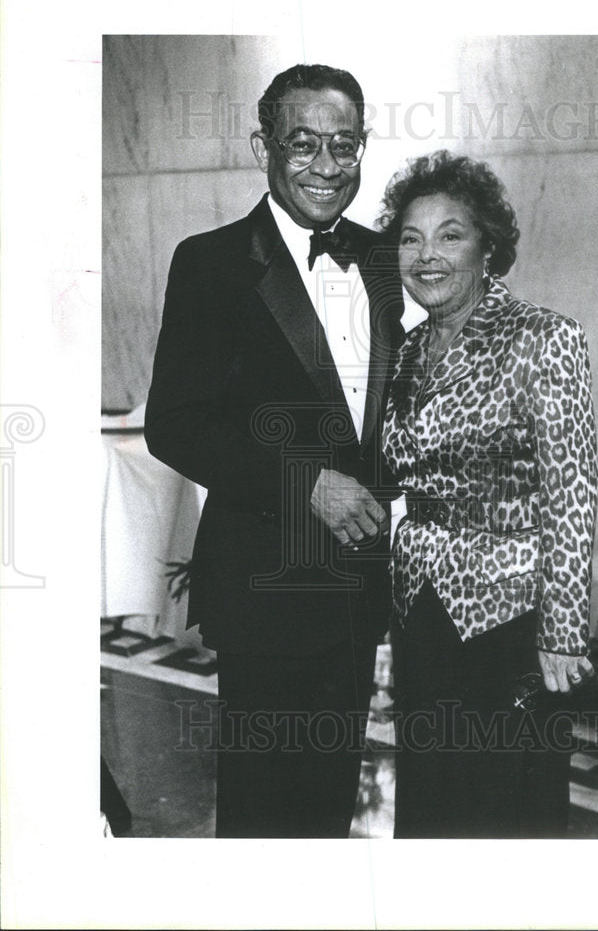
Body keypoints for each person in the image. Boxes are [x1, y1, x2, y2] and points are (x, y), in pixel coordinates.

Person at [145, 64, 404, 838]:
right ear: (263, 146)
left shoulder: (388, 259)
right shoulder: (210, 262)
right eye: (304, 145)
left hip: (357, 590)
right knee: (262, 819)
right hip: (265, 592)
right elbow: (176, 423)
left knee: (327, 813)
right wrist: (306, 485)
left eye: (345, 146)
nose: (328, 167)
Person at [378, 150, 598, 838]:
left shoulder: (544, 338)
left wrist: (563, 635)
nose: (427, 255)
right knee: (433, 806)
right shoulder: (406, 351)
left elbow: (571, 494)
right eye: (411, 238)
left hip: (511, 623)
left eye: (451, 234)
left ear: (488, 246)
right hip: (421, 615)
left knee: (507, 815)